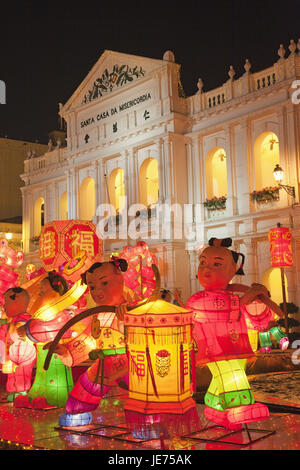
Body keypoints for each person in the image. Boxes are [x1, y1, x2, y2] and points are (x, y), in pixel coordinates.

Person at [185, 238, 270, 430]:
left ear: (233, 270)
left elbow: (259, 322)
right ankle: (242, 406)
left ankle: (215, 406)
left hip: (237, 347)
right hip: (215, 350)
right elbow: (220, 312)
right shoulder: (198, 299)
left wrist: (260, 301)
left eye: (217, 264)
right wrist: (245, 299)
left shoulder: (234, 296)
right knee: (234, 375)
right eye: (203, 263)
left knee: (226, 377)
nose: (207, 268)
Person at [54, 259, 130, 427]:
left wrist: (128, 320)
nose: (98, 291)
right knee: (78, 399)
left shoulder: (133, 311)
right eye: (93, 287)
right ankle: (78, 415)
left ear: (120, 279)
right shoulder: (96, 316)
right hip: (103, 364)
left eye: (104, 282)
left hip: (130, 364)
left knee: (141, 398)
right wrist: (64, 351)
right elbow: (87, 340)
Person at [16, 271, 76, 408]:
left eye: (44, 290)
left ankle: (55, 397)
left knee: (54, 373)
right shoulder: (44, 310)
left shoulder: (62, 313)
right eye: (40, 290)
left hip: (57, 348)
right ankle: (39, 394)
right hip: (42, 347)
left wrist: (27, 330)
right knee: (42, 371)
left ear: (56, 292)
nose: (40, 292)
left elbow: (46, 326)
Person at [0, 287, 36, 402]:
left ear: (16, 300)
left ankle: (21, 391)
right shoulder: (11, 320)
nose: (4, 307)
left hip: (22, 354)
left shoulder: (26, 320)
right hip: (11, 353)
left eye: (6, 303)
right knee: (12, 374)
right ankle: (12, 390)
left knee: (22, 373)